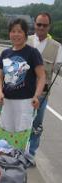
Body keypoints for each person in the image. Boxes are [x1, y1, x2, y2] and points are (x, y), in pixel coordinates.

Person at [0, 18, 46, 155]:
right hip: (7, 102)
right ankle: (4, 164)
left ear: (25, 34)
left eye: (19, 31)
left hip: (25, 102)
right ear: (9, 33)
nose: (16, 34)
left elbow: (41, 76)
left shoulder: (32, 52)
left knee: (21, 134)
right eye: (13, 31)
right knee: (5, 133)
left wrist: (36, 96)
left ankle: (18, 166)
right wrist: (0, 93)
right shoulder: (6, 53)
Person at [27, 12, 62, 158]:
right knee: (20, 123)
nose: (41, 27)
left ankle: (31, 154)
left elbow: (59, 69)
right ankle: (17, 151)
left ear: (49, 26)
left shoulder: (57, 47)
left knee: (36, 126)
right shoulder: (25, 40)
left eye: (44, 25)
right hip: (22, 91)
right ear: (34, 24)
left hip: (42, 94)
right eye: (39, 24)